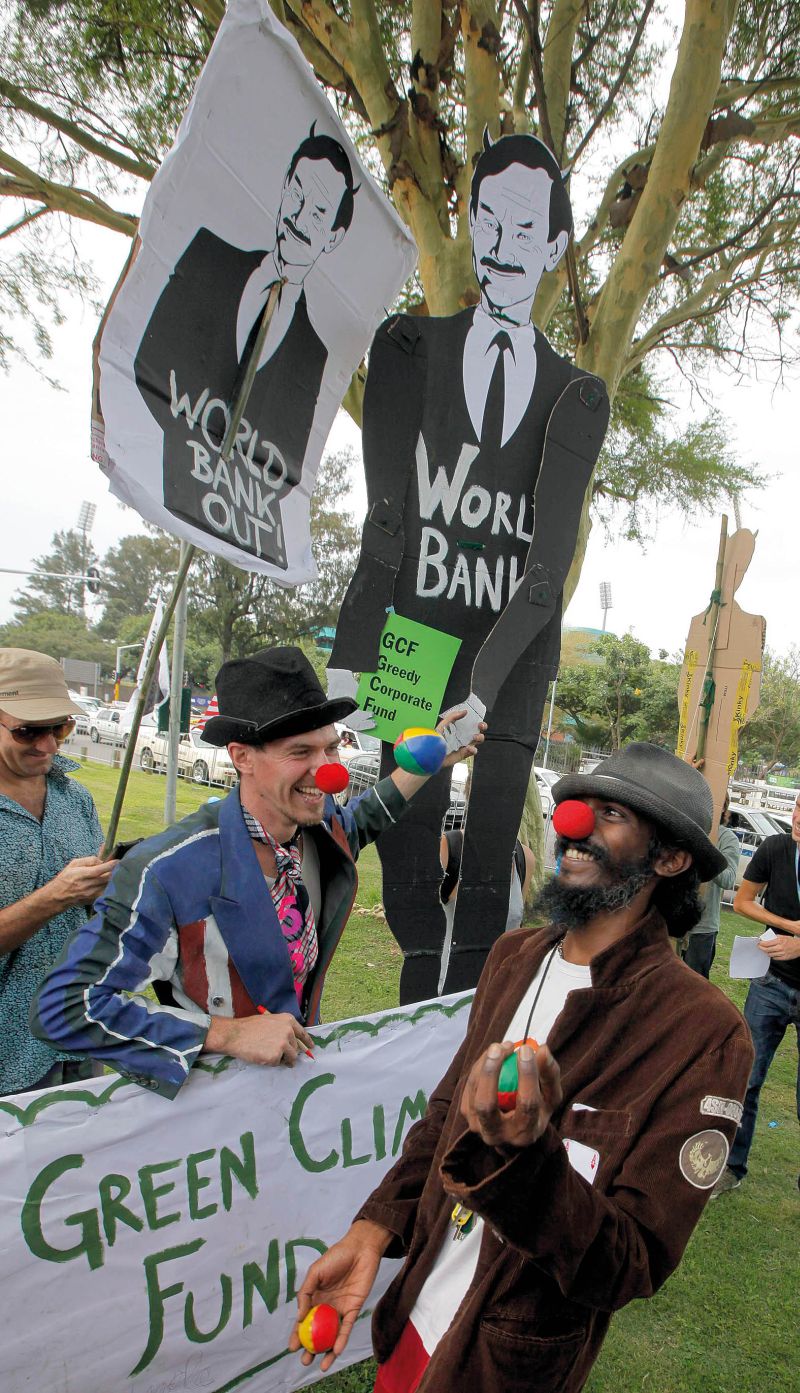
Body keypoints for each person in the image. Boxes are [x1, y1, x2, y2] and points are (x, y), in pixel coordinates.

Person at [288, 744, 753, 1393]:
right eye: (576, 807)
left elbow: (631, 1264)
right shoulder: (514, 956)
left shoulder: (701, 1032)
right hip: (413, 1324)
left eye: (611, 814)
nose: (572, 825)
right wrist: (375, 1227)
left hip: (501, 1366)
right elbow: (445, 1117)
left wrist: (527, 1159)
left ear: (671, 858)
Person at [328, 131, 609, 1002]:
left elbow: (547, 566)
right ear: (468, 222)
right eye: (488, 220)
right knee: (407, 859)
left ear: (555, 247)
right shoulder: (407, 346)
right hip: (414, 640)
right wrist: (351, 655)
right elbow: (386, 520)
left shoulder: (577, 395)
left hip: (513, 661)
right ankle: (414, 1031)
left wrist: (483, 688)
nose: (503, 245)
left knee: (489, 870)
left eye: (526, 230)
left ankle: (469, 1028)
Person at [32, 647, 481, 1100]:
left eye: (330, 747)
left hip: (297, 1092)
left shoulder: (320, 831)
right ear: (242, 757)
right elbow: (68, 1007)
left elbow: (363, 819)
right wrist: (227, 1033)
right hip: (217, 1104)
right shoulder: (167, 870)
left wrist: (428, 760)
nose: (328, 771)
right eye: (300, 752)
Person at [134, 127, 356, 570]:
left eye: (318, 213)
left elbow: (288, 470)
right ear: (284, 188)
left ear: (333, 236)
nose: (298, 218)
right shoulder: (207, 256)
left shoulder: (316, 353)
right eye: (296, 194)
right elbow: (146, 366)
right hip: (163, 490)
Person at [0, 649, 116, 1095]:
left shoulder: (75, 797)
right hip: (10, 1058)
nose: (48, 745)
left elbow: (95, 911)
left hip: (80, 1036)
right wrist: (55, 896)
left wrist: (105, 889)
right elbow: (60, 897)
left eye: (60, 728)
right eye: (29, 731)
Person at [711, 790, 800, 1196]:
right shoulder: (776, 848)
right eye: (798, 808)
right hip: (770, 983)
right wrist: (789, 926)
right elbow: (744, 902)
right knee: (745, 1078)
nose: (798, 818)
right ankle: (731, 1166)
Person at [438, 827, 534, 991]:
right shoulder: (450, 846)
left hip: (497, 991)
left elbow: (515, 929)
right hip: (449, 992)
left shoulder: (524, 857)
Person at [680, 791, 739, 977]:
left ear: (722, 808)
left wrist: (706, 853)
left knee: (693, 984)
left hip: (702, 928)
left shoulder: (727, 838)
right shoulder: (685, 827)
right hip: (672, 921)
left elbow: (729, 879)